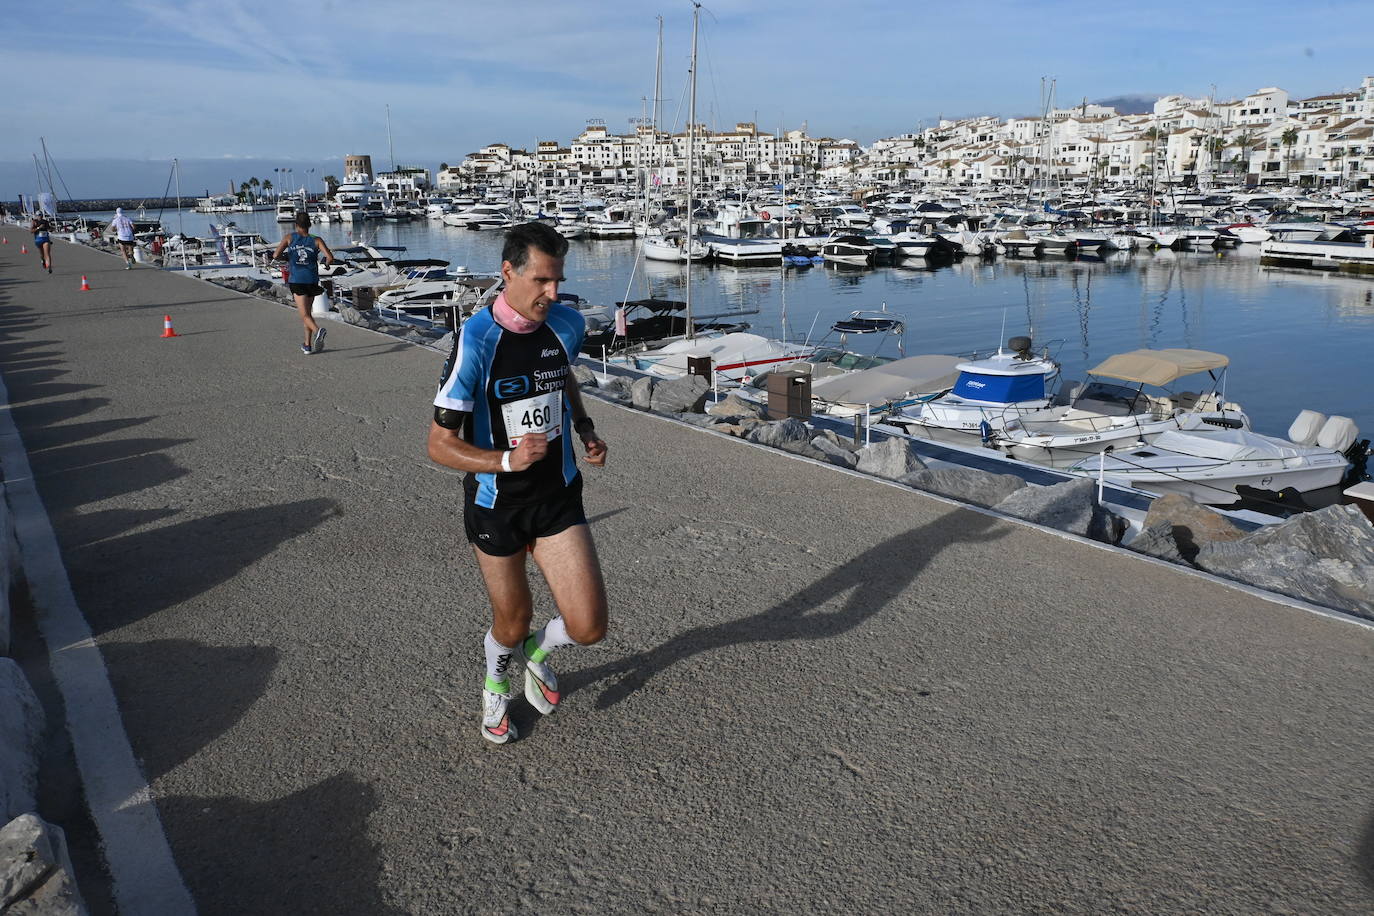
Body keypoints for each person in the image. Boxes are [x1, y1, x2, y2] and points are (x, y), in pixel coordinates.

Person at [428, 221, 609, 745]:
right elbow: (439, 445)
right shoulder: (476, 341)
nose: (552, 295)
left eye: (558, 281)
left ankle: (537, 653)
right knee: (511, 620)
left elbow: (563, 373)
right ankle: (495, 684)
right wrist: (506, 461)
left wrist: (584, 426)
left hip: (557, 496)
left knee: (589, 627)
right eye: (541, 282)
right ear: (508, 273)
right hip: (497, 503)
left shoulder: (567, 325)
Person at [268, 212, 336, 354]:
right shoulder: (316, 240)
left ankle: (318, 331)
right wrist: (327, 265)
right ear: (309, 225)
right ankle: (307, 345)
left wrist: (287, 257)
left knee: (304, 315)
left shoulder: (289, 238)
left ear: (296, 225)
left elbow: (275, 255)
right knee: (308, 314)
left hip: (297, 280)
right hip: (311, 280)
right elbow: (329, 257)